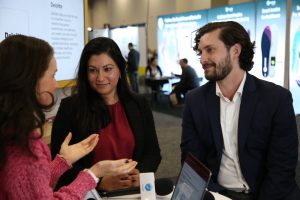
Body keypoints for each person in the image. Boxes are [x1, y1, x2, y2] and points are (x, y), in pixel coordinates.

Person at [0, 35, 137, 199]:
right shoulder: (23, 146)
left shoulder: (12, 132)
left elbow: (33, 186)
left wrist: (62, 161)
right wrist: (94, 174)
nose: (55, 85)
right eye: (52, 76)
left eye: (107, 69)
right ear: (29, 80)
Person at [181, 21, 300, 200]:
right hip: (219, 194)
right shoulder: (195, 100)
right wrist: (215, 196)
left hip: (268, 194)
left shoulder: (276, 99)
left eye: (210, 50)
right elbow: (192, 161)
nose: (202, 59)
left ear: (235, 51)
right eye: (200, 52)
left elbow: (282, 167)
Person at [51, 37, 161, 192]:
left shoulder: (139, 104)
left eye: (108, 69)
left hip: (132, 192)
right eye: (93, 70)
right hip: (90, 194)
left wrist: (140, 173)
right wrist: (97, 181)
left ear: (120, 70)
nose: (100, 78)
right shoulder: (70, 108)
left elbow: (153, 153)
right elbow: (58, 165)